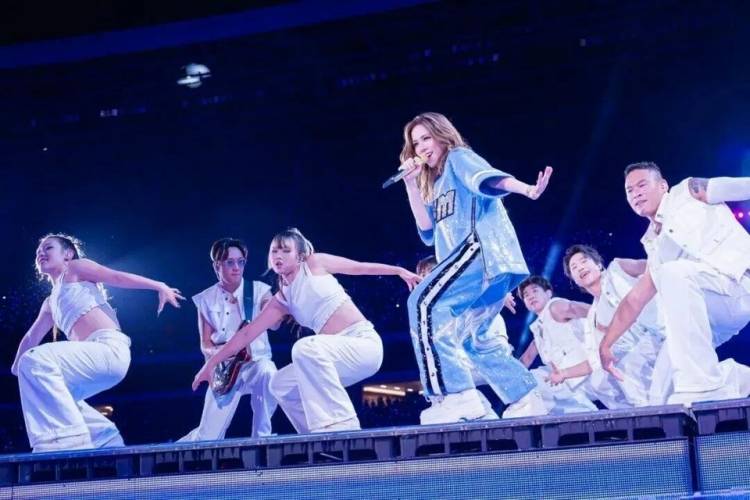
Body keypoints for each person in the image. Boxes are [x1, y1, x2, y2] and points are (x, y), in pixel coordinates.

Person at [399, 112, 553, 423]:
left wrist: (525, 189)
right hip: (482, 267)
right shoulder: (436, 184)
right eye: (416, 143)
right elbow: (427, 230)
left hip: (478, 251)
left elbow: (488, 179)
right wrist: (411, 185)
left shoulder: (458, 157)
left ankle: (456, 395)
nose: (422, 147)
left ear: (442, 135)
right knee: (474, 339)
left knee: (422, 303)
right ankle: (526, 397)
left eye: (427, 138)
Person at [193, 228, 421, 433]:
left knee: (304, 347)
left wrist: (399, 271)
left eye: (285, 251)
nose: (278, 255)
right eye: (274, 251)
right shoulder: (282, 299)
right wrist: (210, 364)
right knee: (279, 384)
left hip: (363, 345)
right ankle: (315, 436)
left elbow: (359, 267)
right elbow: (245, 335)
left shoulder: (314, 264)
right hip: (332, 358)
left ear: (300, 255)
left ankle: (344, 427)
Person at [11, 233, 184, 452]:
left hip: (108, 349)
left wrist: (159, 286)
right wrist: (18, 369)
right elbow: (31, 337)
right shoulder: (49, 303)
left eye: (48, 248)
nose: (41, 253)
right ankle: (104, 438)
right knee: (57, 395)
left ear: (68, 254)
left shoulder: (75, 268)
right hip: (93, 361)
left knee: (36, 361)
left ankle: (67, 442)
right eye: (38, 251)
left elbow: (116, 277)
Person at [600, 163, 750, 405]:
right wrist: (606, 344)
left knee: (673, 273)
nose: (636, 193)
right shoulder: (653, 244)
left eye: (642, 185)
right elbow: (634, 300)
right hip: (711, 315)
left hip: (740, 285)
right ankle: (737, 379)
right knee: (661, 394)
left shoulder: (688, 191)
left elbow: (741, 187)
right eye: (629, 190)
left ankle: (704, 386)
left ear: (663, 186)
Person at [179, 238, 278, 441]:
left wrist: (279, 308)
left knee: (268, 371)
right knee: (207, 438)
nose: (236, 267)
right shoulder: (205, 299)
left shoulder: (259, 291)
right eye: (230, 262)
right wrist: (220, 354)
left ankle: (261, 438)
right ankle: (176, 451)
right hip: (224, 370)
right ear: (217, 265)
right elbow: (205, 343)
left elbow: (275, 325)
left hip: (254, 363)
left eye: (240, 262)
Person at [564, 245, 666, 406]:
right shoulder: (593, 318)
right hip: (641, 358)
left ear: (598, 264)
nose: (580, 268)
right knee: (602, 379)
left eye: (584, 261)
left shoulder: (618, 268)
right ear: (575, 281)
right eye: (574, 268)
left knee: (629, 365)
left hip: (664, 331)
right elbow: (598, 357)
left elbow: (657, 266)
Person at [516, 275, 600, 414]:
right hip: (569, 384)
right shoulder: (539, 328)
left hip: (592, 373)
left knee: (633, 403)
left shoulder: (555, 307)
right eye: (526, 295)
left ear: (548, 293)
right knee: (534, 379)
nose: (531, 296)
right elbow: (526, 359)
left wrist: (615, 324)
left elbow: (590, 311)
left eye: (535, 290)